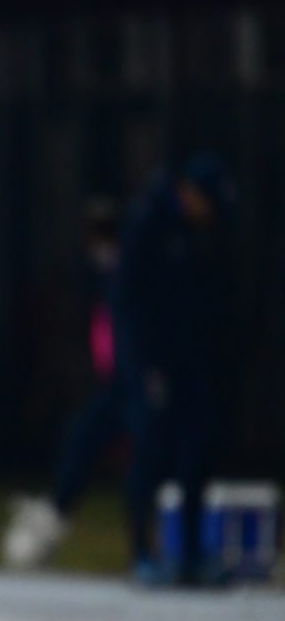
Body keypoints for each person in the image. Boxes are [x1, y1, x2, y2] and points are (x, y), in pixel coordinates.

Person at [114, 154, 233, 585]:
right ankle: (142, 553)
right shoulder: (149, 222)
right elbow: (128, 300)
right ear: (188, 191)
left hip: (188, 359)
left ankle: (191, 554)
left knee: (196, 452)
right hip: (150, 362)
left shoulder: (200, 232)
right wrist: (142, 365)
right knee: (150, 452)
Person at [2, 199, 124, 568]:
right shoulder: (100, 274)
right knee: (81, 441)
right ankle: (54, 513)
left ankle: (162, 548)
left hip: (135, 381)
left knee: (149, 461)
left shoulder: (129, 270)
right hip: (115, 383)